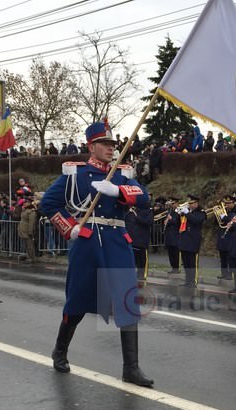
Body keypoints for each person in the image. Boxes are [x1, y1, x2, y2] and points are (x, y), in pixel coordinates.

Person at [39, 120, 153, 387]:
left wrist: (119, 191)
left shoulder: (123, 174)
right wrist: (70, 227)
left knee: (127, 302)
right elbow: (49, 203)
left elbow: (144, 197)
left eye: (113, 144)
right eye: (105, 144)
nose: (110, 149)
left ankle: (131, 368)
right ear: (91, 146)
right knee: (77, 302)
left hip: (117, 243)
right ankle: (60, 351)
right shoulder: (75, 174)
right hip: (88, 243)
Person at [176, 194, 206, 288]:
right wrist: (179, 213)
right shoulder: (187, 212)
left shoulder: (201, 212)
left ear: (196, 203)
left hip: (193, 241)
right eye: (189, 203)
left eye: (192, 203)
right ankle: (187, 281)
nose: (190, 205)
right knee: (186, 263)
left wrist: (187, 213)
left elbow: (196, 221)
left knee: (192, 263)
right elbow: (179, 223)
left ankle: (193, 281)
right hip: (184, 240)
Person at [124, 203, 153, 281]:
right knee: (134, 259)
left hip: (142, 239)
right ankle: (134, 274)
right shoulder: (131, 211)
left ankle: (142, 274)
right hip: (132, 238)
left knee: (142, 259)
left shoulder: (148, 211)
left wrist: (137, 217)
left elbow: (149, 222)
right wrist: (129, 212)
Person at [215, 194, 236, 280]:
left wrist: (224, 217)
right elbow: (217, 223)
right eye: (225, 203)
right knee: (223, 257)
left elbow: (233, 220)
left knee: (230, 258)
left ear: (233, 203)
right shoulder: (224, 211)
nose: (226, 205)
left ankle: (230, 274)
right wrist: (217, 215)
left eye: (229, 203)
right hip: (222, 236)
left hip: (231, 237)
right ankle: (223, 273)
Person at [17, 196, 38, 264]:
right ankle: (28, 256)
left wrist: (30, 231)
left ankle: (32, 258)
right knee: (26, 245)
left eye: (26, 202)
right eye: (25, 202)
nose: (25, 203)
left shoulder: (31, 211)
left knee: (30, 245)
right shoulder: (25, 210)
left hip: (27, 230)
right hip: (23, 229)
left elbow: (32, 223)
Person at [163, 198, 181, 273]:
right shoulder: (169, 211)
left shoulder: (179, 211)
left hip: (176, 234)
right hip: (169, 235)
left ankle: (176, 268)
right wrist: (166, 221)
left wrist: (171, 219)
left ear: (177, 203)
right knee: (170, 253)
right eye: (171, 204)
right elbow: (168, 221)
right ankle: (173, 267)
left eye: (173, 203)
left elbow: (178, 222)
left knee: (175, 253)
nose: (172, 205)